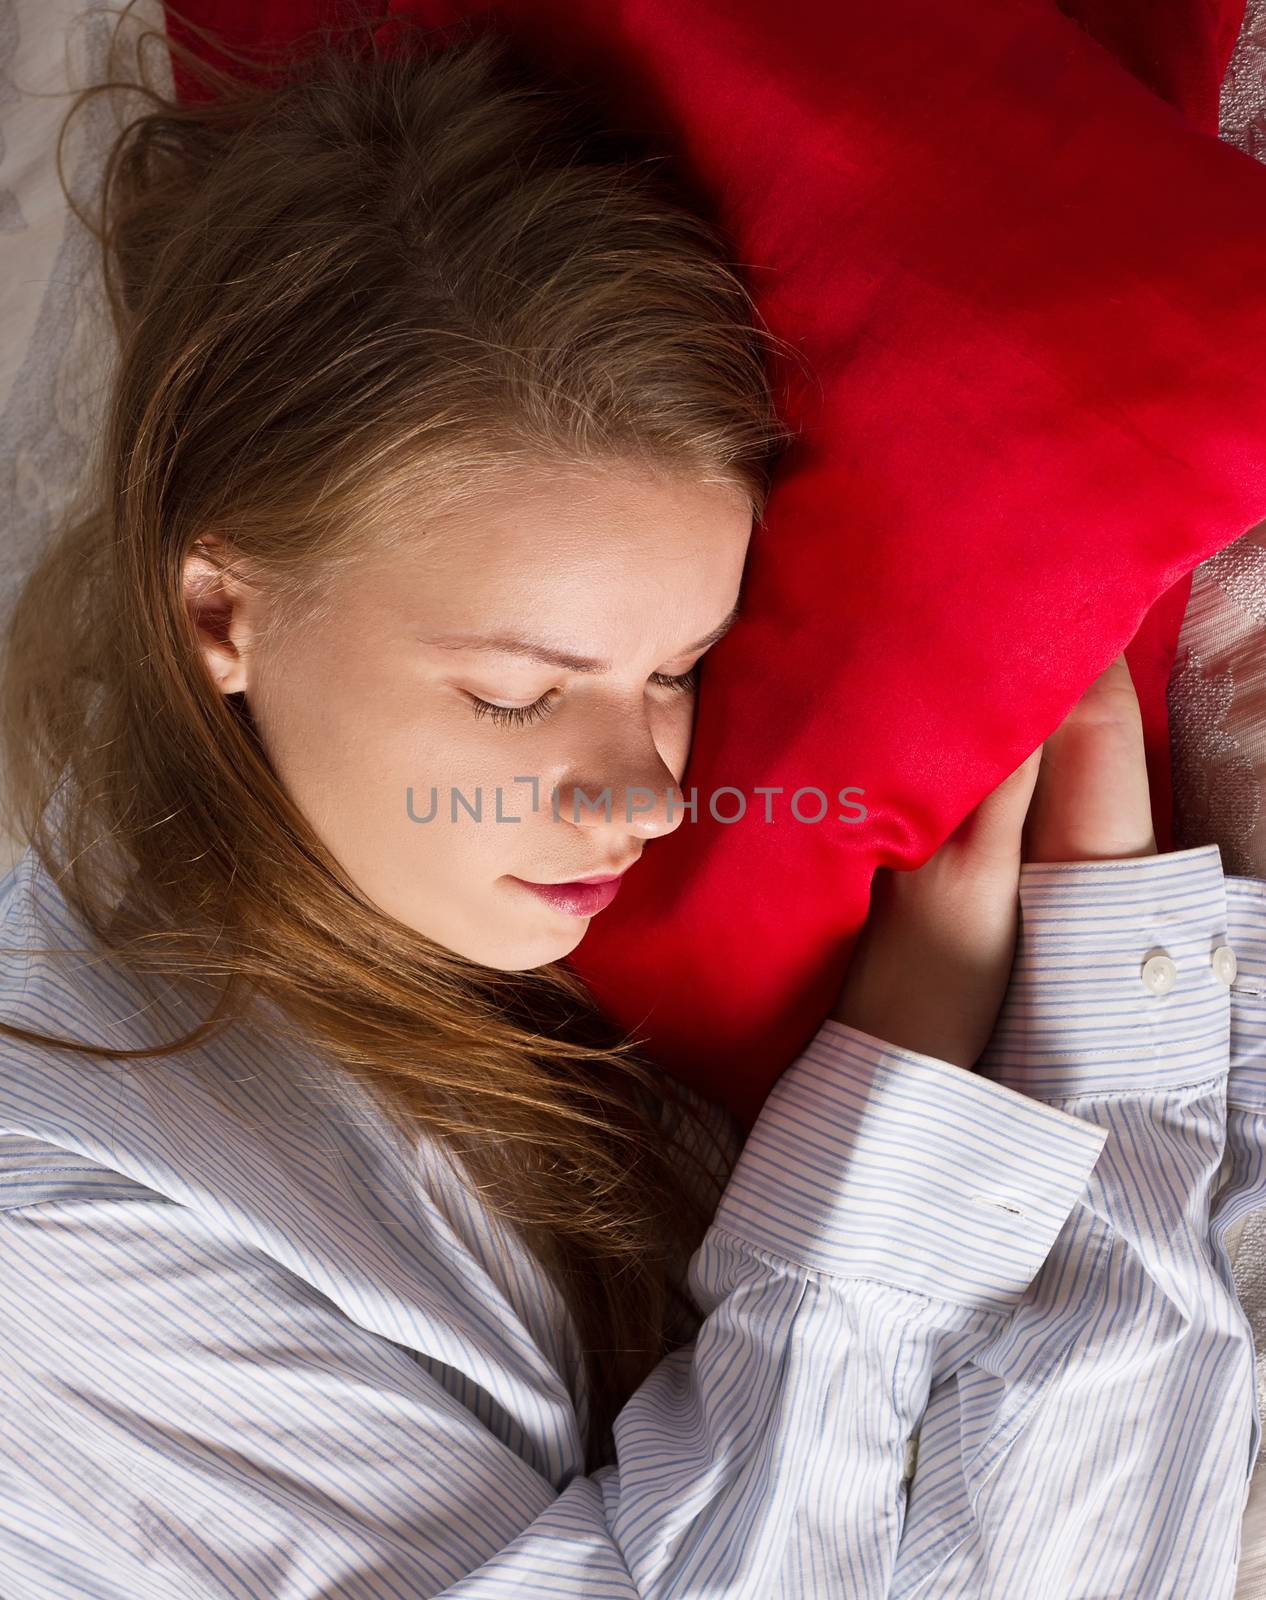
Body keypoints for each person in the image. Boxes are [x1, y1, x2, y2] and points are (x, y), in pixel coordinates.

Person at [0, 4, 1261, 1595]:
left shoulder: (467, 965)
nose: (648, 797)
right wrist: (991, 1063)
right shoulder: (60, 1217)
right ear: (219, 613)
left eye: (678, 673)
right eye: (516, 691)